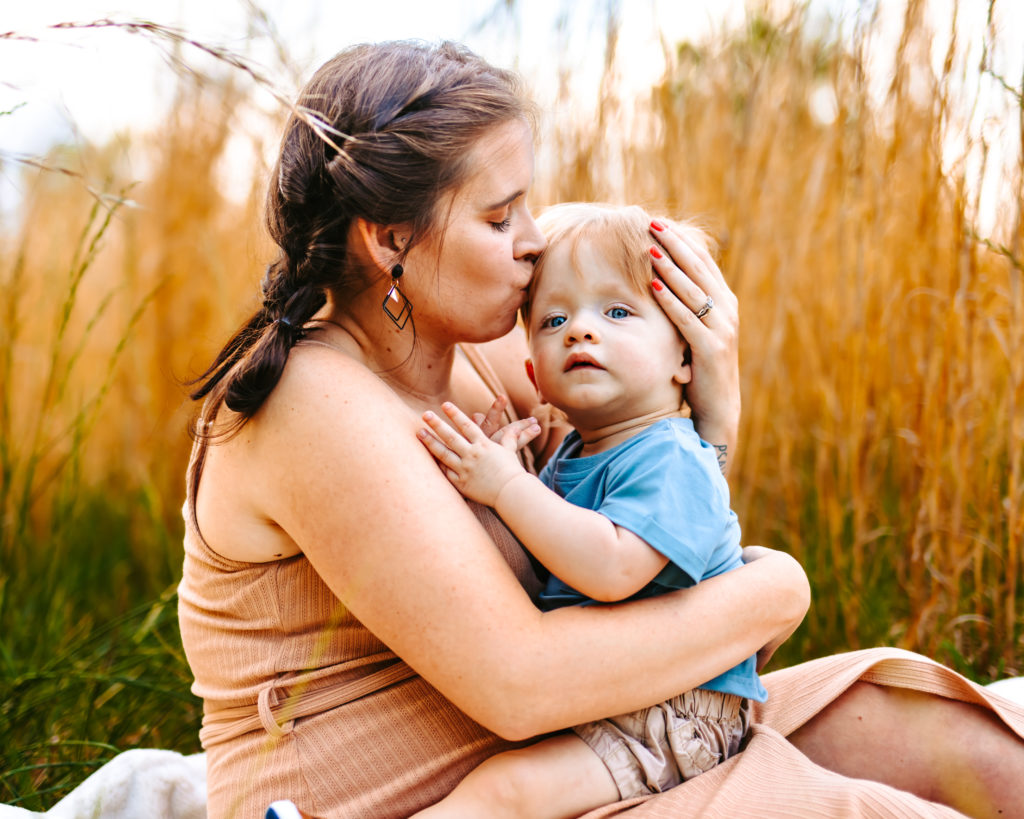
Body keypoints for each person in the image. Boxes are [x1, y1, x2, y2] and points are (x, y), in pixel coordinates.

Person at [176, 40, 1024, 819]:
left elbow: (658, 478)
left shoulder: (483, 353)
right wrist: (775, 592)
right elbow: (522, 684)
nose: (532, 240)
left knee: (975, 754)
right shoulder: (315, 401)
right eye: (501, 217)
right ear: (390, 238)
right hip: (427, 795)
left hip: (612, 737)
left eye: (528, 207)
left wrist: (711, 403)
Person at [412, 203, 767, 819]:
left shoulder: (672, 456)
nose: (581, 330)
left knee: (508, 793)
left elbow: (611, 568)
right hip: (615, 691)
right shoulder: (577, 452)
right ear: (535, 376)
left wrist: (505, 489)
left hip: (673, 712)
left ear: (686, 359)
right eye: (554, 320)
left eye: (618, 312)